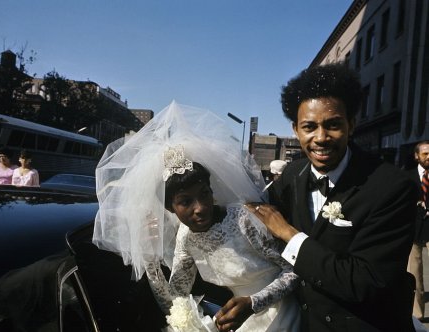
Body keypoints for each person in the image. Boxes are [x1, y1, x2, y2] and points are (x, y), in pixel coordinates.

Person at [93, 101, 300, 332]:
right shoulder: (186, 238)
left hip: (280, 314)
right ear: (170, 209)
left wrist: (253, 303)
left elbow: (293, 270)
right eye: (185, 202)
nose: (200, 207)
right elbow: (175, 300)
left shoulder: (243, 218)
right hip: (240, 319)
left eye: (204, 194)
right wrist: (150, 258)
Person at [246, 63, 419, 331]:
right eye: (309, 127)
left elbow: (365, 282)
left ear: (351, 124)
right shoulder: (292, 174)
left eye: (333, 125)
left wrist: (289, 234)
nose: (321, 138)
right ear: (295, 130)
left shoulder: (393, 187)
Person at [407, 140, 429, 321]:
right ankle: (418, 313)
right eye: (425, 154)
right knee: (415, 273)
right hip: (413, 229)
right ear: (417, 156)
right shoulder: (407, 177)